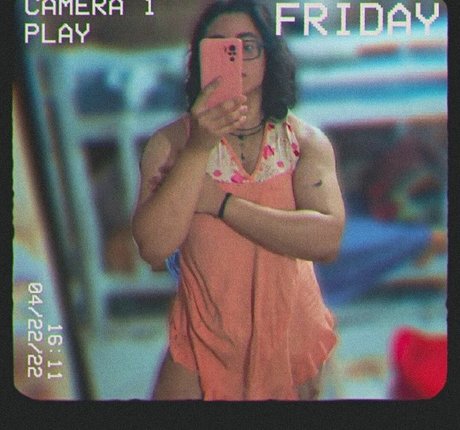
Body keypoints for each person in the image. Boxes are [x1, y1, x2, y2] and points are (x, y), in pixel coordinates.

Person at [132, 0, 345, 401]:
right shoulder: (171, 144)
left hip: (292, 338)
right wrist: (199, 149)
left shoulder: (304, 143)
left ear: (269, 55)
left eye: (248, 46)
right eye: (220, 47)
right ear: (200, 59)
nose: (237, 59)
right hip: (202, 341)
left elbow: (327, 240)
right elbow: (153, 248)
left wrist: (221, 203)